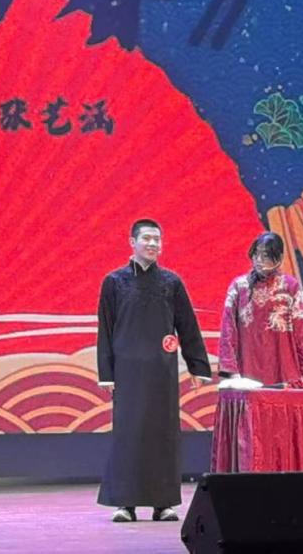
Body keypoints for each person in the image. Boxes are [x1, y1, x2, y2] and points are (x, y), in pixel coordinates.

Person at [96, 218, 212, 522]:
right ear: (132, 242)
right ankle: (125, 504)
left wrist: (198, 365)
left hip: (162, 371)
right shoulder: (114, 282)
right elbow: (105, 329)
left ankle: (164, 504)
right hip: (127, 373)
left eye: (157, 239)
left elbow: (187, 325)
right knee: (129, 434)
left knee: (163, 434)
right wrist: (106, 373)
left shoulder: (171, 282)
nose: (152, 244)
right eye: (146, 238)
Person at [217, 231, 303, 387]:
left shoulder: (290, 286)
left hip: (284, 370)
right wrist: (230, 370)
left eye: (266, 256)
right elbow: (228, 330)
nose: (259, 260)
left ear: (279, 258)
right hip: (246, 372)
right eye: (257, 254)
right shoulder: (239, 287)